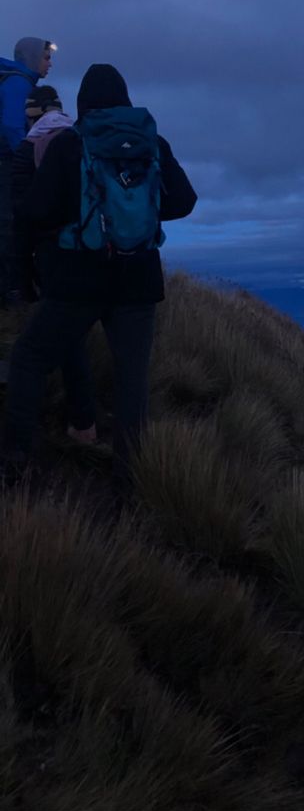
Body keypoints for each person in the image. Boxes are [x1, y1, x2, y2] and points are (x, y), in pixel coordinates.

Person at [2, 63, 197, 481]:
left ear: (83, 103)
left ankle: (16, 460)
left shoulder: (71, 144)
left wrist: (69, 226)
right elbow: (184, 201)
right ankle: (129, 486)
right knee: (132, 385)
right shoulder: (151, 142)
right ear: (125, 98)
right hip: (139, 282)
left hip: (78, 279)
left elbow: (33, 212)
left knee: (30, 357)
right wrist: (136, 210)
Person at [11, 85, 99, 446]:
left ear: (30, 112)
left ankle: (18, 454)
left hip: (52, 258)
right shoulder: (80, 140)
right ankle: (84, 425)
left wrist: (21, 276)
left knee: (30, 354)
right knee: (73, 338)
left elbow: (22, 216)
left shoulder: (28, 147)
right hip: (92, 254)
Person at [0, 37, 56, 304]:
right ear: (33, 58)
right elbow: (12, 125)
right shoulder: (19, 83)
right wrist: (28, 156)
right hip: (6, 164)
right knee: (9, 224)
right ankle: (10, 293)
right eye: (46, 57)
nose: (50, 64)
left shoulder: (14, 80)